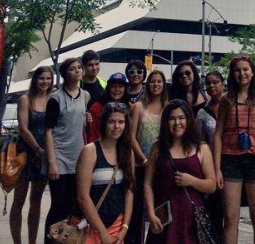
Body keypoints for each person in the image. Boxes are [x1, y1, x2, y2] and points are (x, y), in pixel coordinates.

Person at [214, 55, 255, 244]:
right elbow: (218, 134)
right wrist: (217, 169)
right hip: (230, 161)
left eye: (245, 69)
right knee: (231, 218)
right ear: (232, 74)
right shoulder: (226, 99)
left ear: (252, 71)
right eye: (237, 70)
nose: (242, 73)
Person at [144, 99, 216, 243]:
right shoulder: (157, 148)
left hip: (191, 219)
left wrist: (192, 181)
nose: (177, 123)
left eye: (181, 118)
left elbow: (212, 185)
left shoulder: (201, 148)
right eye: (172, 119)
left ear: (189, 120)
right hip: (164, 218)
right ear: (165, 122)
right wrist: (151, 214)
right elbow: (147, 184)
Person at [44, 57, 90, 244]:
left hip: (78, 159)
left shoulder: (84, 95)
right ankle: (50, 240)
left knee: (74, 206)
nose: (78, 71)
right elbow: (48, 131)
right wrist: (52, 162)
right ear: (64, 73)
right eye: (72, 68)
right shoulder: (56, 98)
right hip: (60, 159)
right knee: (58, 207)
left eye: (79, 67)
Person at [76, 102, 134, 244]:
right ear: (103, 123)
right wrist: (102, 233)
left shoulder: (128, 153)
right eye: (111, 122)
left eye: (121, 122)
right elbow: (83, 196)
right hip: (91, 227)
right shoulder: (90, 151)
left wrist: (125, 228)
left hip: (117, 226)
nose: (116, 127)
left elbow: (129, 191)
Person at [10, 66, 54, 244]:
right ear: (35, 79)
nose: (45, 82)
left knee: (36, 202)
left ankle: (32, 242)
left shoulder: (53, 100)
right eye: (41, 78)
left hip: (43, 156)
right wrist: (37, 149)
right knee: (18, 201)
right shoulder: (25, 99)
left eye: (48, 79)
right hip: (26, 154)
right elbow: (23, 128)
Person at [128, 69, 168, 244]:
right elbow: (131, 137)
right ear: (147, 84)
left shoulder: (169, 107)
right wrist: (144, 159)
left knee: (160, 211)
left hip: (163, 166)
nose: (156, 84)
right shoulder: (138, 107)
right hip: (140, 165)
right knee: (138, 212)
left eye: (159, 81)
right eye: (152, 81)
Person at [196, 70, 225, 236]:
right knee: (214, 212)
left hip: (231, 164)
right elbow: (199, 141)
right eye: (209, 83)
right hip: (211, 167)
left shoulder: (233, 106)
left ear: (222, 83)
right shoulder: (202, 113)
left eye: (216, 82)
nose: (212, 86)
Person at [87, 73, 129, 144]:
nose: (117, 90)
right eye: (113, 86)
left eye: (120, 86)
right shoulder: (97, 107)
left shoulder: (129, 107)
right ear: (108, 88)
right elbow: (91, 133)